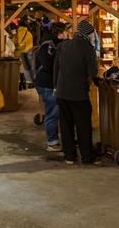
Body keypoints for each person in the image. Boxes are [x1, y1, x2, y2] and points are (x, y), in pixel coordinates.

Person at [53, 21, 100, 166]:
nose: (93, 36)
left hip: (61, 92)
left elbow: (56, 69)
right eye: (92, 33)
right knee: (83, 125)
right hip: (78, 93)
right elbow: (92, 72)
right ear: (88, 34)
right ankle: (87, 157)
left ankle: (69, 156)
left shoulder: (63, 45)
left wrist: (56, 87)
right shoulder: (88, 49)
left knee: (66, 125)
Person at [34, 22, 68, 151]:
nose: (68, 35)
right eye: (66, 32)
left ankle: (60, 139)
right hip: (47, 84)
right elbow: (48, 66)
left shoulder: (60, 45)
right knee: (52, 113)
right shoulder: (47, 46)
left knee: (57, 112)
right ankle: (52, 142)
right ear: (60, 34)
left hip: (54, 84)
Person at [14, 18, 34, 90]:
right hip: (26, 53)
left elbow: (14, 43)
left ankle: (19, 84)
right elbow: (31, 44)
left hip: (18, 53)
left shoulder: (17, 33)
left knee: (19, 69)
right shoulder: (29, 34)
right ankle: (24, 83)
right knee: (24, 68)